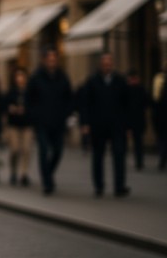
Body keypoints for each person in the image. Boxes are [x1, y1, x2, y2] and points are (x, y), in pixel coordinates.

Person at [79, 53, 130, 197]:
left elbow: (127, 104)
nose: (107, 66)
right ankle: (99, 185)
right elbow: (85, 104)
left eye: (109, 63)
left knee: (119, 155)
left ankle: (119, 186)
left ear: (112, 64)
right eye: (105, 63)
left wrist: (128, 126)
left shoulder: (120, 81)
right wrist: (85, 123)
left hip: (117, 125)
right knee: (98, 156)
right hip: (98, 125)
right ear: (100, 65)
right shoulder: (92, 81)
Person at [26, 49, 73, 195]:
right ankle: (47, 182)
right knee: (44, 150)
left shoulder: (62, 77)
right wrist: (34, 116)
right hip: (41, 122)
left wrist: (66, 114)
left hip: (58, 122)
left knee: (58, 151)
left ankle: (48, 173)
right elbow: (29, 99)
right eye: (50, 59)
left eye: (54, 59)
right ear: (44, 60)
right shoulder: (36, 77)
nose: (52, 62)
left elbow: (69, 97)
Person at [4, 68, 32, 186]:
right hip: (13, 124)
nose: (20, 79)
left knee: (26, 149)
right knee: (15, 149)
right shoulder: (11, 92)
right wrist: (12, 109)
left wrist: (26, 110)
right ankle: (13, 171)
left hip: (27, 124)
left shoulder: (30, 92)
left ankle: (24, 174)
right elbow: (4, 105)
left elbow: (35, 106)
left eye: (22, 76)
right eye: (18, 76)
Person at [125, 70, 149, 170]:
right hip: (134, 120)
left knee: (138, 142)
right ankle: (138, 162)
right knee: (137, 142)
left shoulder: (136, 89)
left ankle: (139, 162)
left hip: (135, 121)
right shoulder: (138, 89)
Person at [153, 61, 167, 170]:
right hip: (161, 114)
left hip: (161, 114)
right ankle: (162, 157)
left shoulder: (158, 79)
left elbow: (155, 98)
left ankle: (162, 158)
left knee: (162, 138)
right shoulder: (158, 79)